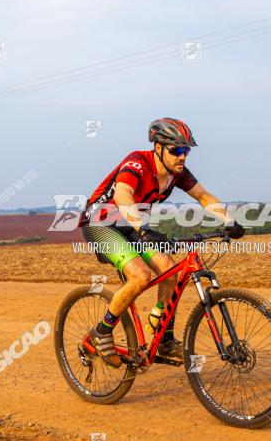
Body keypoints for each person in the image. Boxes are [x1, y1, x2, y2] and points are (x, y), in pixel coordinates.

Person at [79, 117, 245, 367]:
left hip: (129, 224)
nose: (182, 157)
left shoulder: (176, 174)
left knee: (170, 270)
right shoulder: (137, 162)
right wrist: (143, 229)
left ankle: (164, 340)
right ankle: (102, 331)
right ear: (158, 147)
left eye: (186, 150)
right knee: (141, 276)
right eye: (176, 150)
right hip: (101, 223)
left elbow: (203, 195)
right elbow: (123, 194)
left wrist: (229, 220)